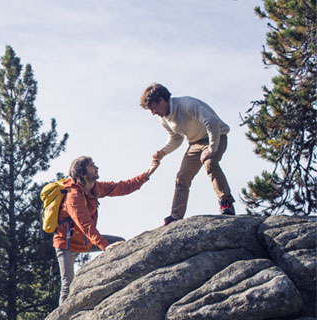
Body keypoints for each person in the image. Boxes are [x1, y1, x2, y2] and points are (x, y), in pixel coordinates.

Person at [54, 156, 159, 303]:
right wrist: (105, 246)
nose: (96, 168)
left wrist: (148, 173)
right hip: (66, 244)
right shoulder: (73, 196)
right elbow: (85, 224)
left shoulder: (95, 188)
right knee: (68, 287)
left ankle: (116, 285)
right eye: (92, 166)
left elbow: (122, 187)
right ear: (83, 173)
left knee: (120, 244)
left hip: (86, 241)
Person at [140, 83, 236, 225]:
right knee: (182, 177)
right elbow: (176, 138)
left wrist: (212, 148)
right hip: (195, 144)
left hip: (217, 136)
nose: (153, 113)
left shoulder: (186, 104)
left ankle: (226, 202)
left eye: (153, 108)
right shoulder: (164, 119)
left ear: (162, 100)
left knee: (210, 163)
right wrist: (163, 152)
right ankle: (175, 216)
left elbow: (212, 121)